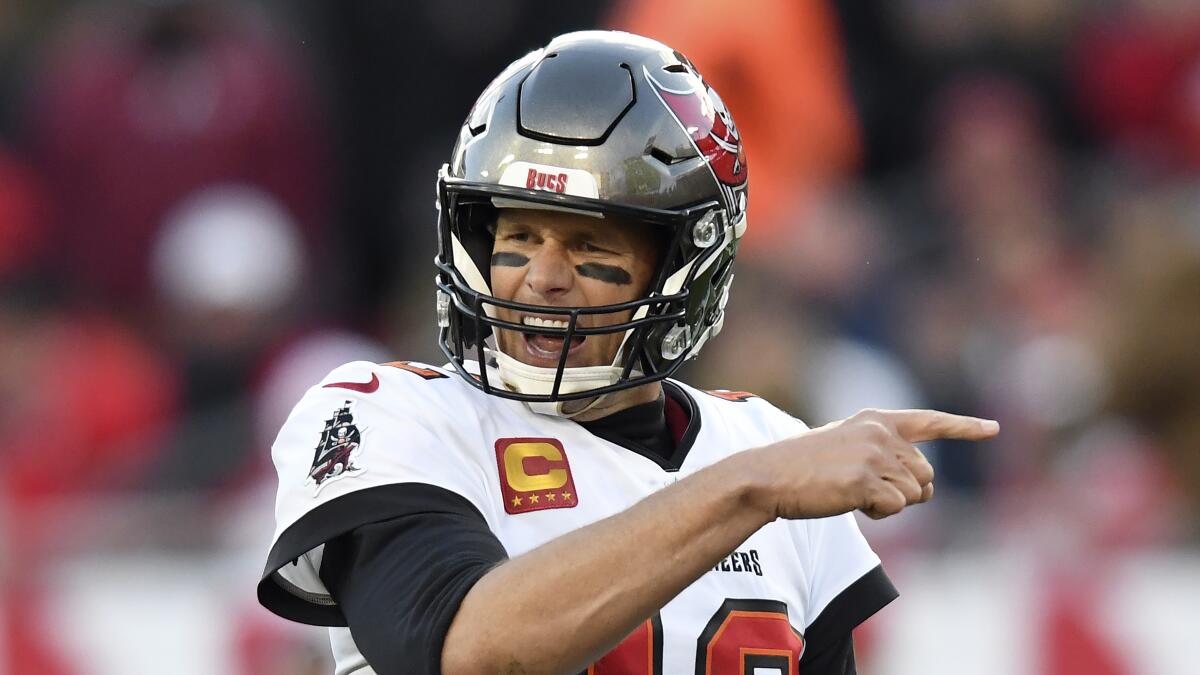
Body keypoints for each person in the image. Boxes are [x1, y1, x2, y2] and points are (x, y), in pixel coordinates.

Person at [257, 31, 999, 674]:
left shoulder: (768, 448)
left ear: (684, 263)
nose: (541, 277)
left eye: (588, 243)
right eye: (517, 236)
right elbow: (468, 652)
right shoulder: (391, 418)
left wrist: (761, 478)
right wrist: (749, 490)